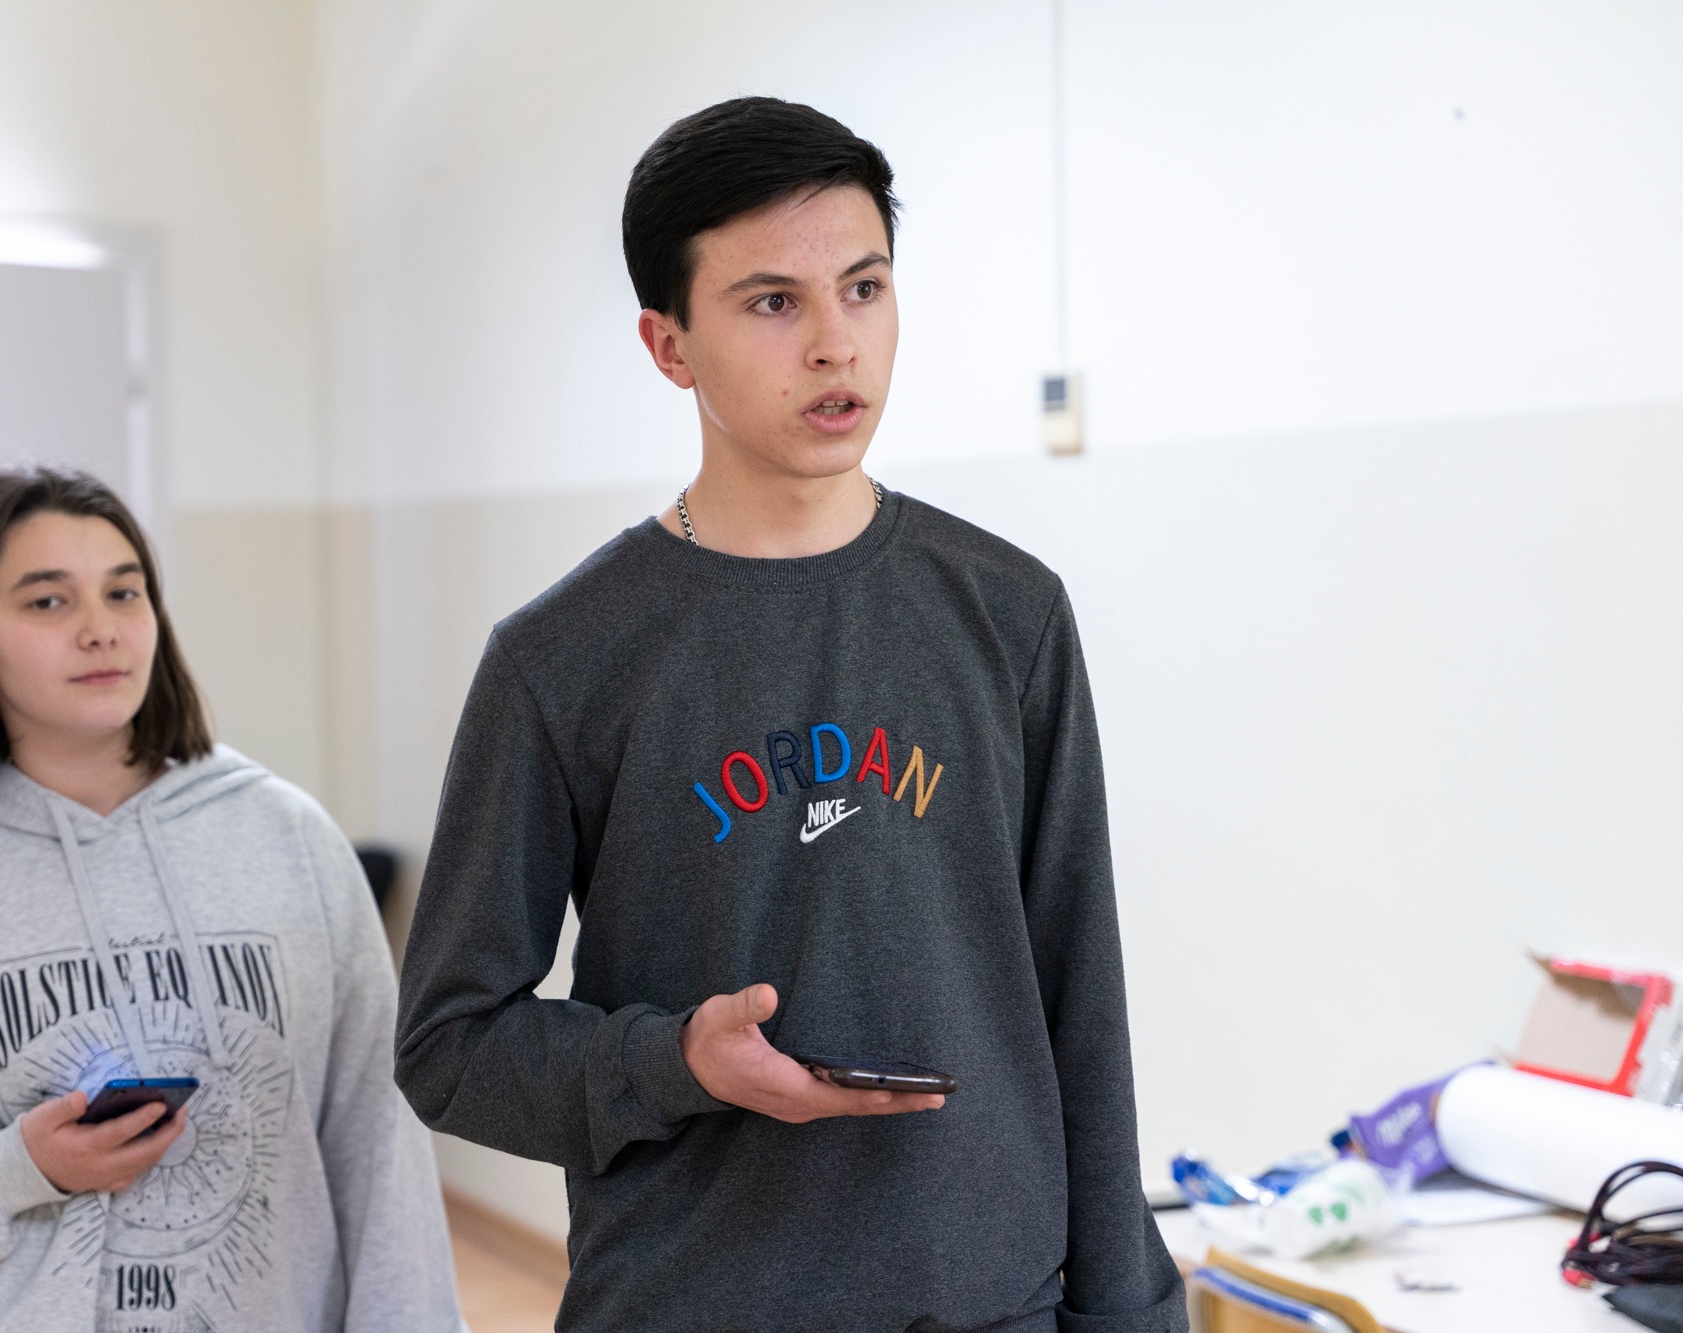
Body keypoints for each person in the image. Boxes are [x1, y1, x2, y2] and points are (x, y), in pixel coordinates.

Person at [394, 97, 1187, 1332]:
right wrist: (676, 1062)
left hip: (988, 1305)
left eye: (862, 289)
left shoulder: (1008, 611)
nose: (834, 345)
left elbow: (1079, 995)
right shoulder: (561, 659)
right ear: (668, 345)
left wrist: (1129, 1310)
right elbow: (449, 1046)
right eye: (772, 302)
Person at [0, 466, 461, 1332]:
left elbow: (379, 1135)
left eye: (123, 591)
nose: (101, 628)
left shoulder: (291, 839)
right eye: (47, 601)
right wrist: (16, 1166)